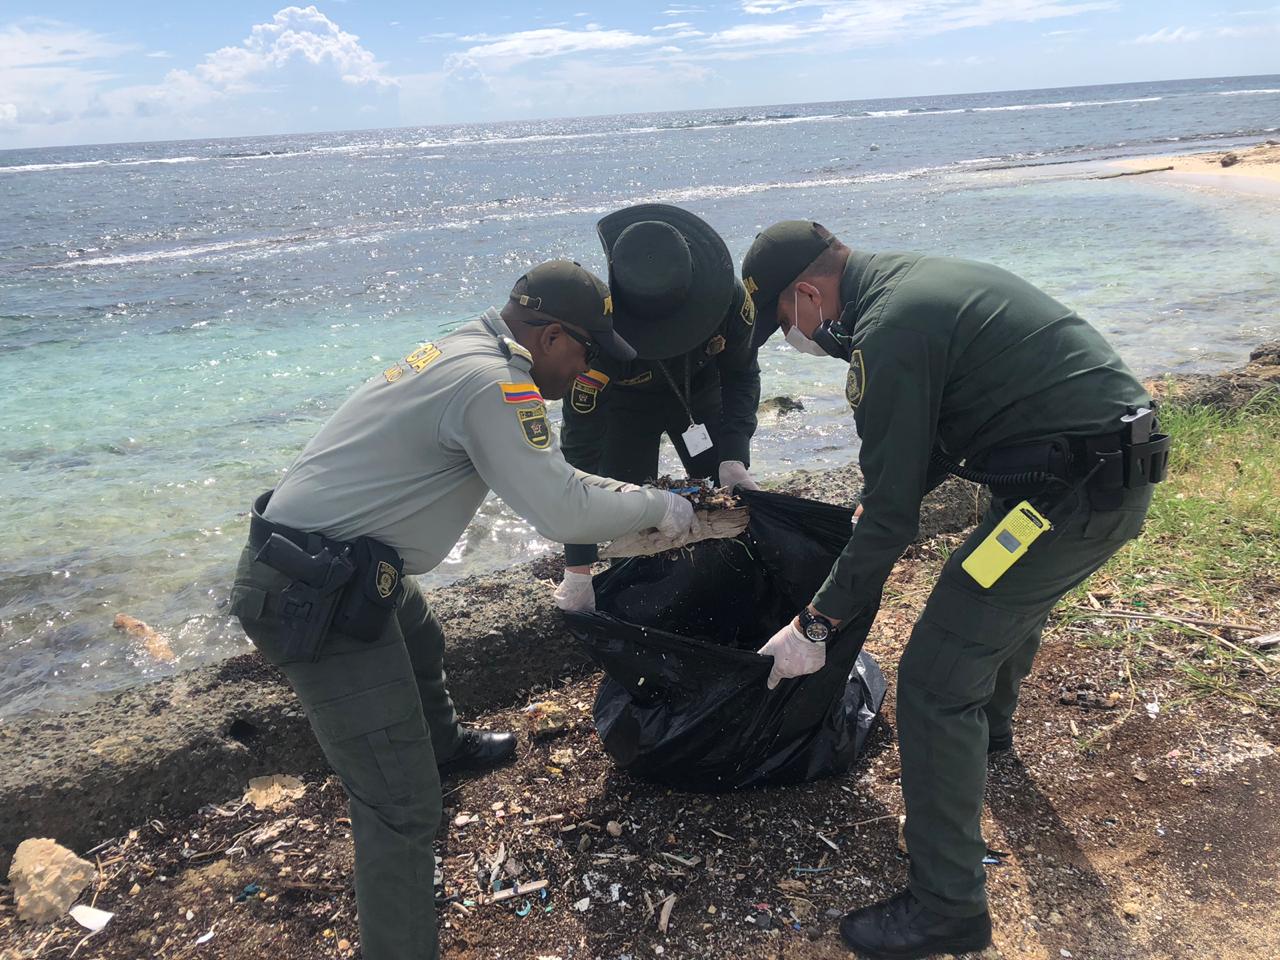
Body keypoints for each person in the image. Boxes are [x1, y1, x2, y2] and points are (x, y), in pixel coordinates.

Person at [228, 260, 698, 960]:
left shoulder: (464, 347)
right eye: (587, 352)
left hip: (339, 562)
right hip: (312, 594)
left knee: (418, 635)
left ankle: (443, 748)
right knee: (398, 805)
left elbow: (555, 480)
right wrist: (660, 507)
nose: (587, 370)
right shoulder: (494, 384)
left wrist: (636, 495)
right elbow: (560, 510)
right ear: (551, 336)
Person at [742, 222, 1169, 959]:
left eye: (785, 321)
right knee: (981, 594)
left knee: (936, 682)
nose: (794, 336)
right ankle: (989, 738)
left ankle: (947, 909)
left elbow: (891, 525)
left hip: (1072, 496)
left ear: (807, 293)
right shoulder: (907, 284)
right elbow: (933, 438)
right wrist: (885, 496)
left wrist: (814, 625)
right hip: (1074, 474)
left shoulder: (887, 332)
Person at [553, 203, 762, 612]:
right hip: (626, 412)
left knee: (728, 507)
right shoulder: (596, 341)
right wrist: (578, 565)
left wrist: (736, 452)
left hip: (698, 396)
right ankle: (643, 604)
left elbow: (741, 374)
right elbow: (580, 455)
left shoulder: (729, 300)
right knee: (627, 517)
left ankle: (732, 591)